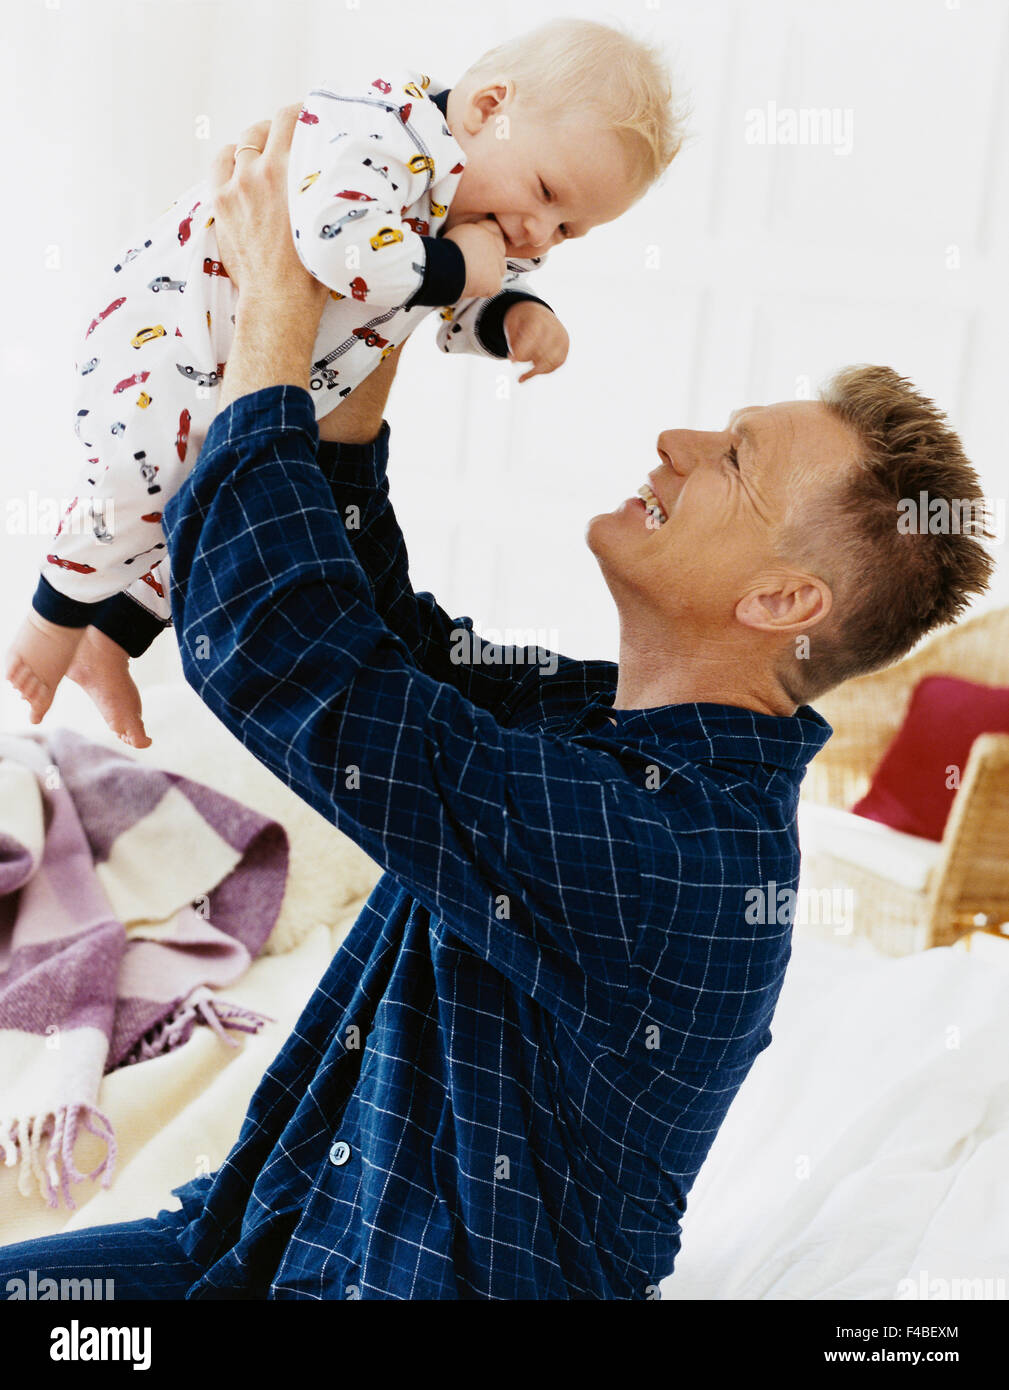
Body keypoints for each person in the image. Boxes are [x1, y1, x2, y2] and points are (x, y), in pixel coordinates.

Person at [0, 108, 991, 1301]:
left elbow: (296, 662)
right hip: (262, 1236)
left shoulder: (675, 853)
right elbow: (399, 651)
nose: (674, 440)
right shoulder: (612, 733)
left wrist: (271, 316)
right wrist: (373, 331)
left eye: (731, 457)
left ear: (783, 598)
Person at [6, 18, 683, 750]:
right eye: (545, 192)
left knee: (216, 508)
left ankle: (112, 636)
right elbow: (340, 251)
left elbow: (459, 303)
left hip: (247, 376)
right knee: (142, 477)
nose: (536, 235)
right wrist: (458, 265)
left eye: (568, 231)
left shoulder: (481, 214)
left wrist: (513, 315)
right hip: (169, 339)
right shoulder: (375, 130)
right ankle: (53, 618)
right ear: (490, 108)